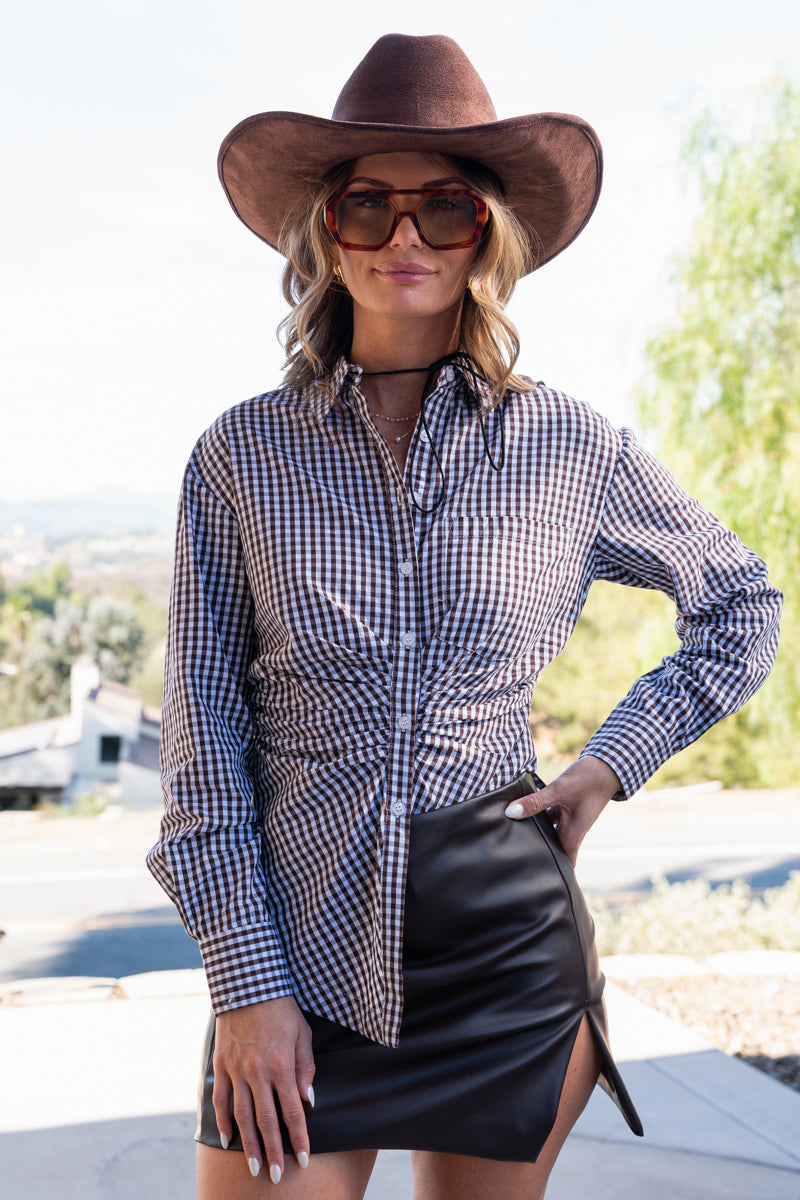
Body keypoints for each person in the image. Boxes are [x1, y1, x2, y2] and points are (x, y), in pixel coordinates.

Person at [147, 33, 781, 1200]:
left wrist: (607, 764)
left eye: (444, 209)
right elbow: (202, 743)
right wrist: (244, 985)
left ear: (489, 234)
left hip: (506, 964)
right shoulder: (240, 454)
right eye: (367, 206)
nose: (403, 237)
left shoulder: (570, 447)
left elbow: (739, 605)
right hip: (298, 955)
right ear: (321, 234)